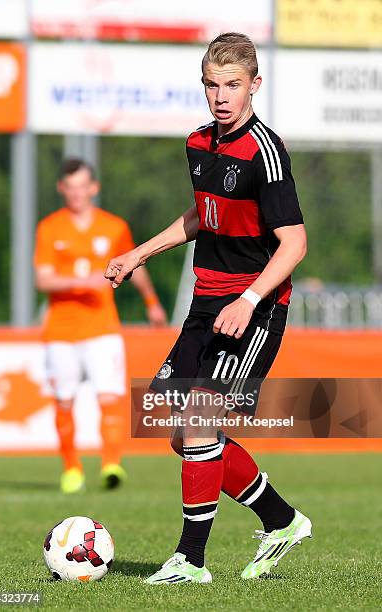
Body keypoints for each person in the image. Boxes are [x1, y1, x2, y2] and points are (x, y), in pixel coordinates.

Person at [105, 33, 311, 583]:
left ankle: (190, 561)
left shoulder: (266, 152)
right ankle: (283, 520)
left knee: (200, 424)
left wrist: (249, 300)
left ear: (254, 86)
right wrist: (138, 252)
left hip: (255, 303)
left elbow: (294, 243)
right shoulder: (198, 143)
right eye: (212, 85)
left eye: (233, 85)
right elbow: (203, 215)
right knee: (184, 435)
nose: (221, 96)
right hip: (206, 301)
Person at [34, 158, 166, 494]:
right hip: (61, 331)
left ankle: (111, 464)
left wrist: (152, 302)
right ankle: (71, 469)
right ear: (61, 189)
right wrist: (83, 282)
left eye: (83, 186)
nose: (77, 193)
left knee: (109, 397)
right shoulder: (50, 228)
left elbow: (134, 264)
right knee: (64, 401)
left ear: (94, 188)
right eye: (70, 187)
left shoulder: (113, 226)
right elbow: (43, 279)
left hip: (103, 328)